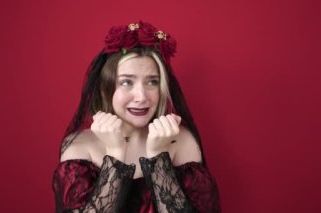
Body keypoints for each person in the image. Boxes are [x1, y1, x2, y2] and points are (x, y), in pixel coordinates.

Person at [53, 21, 221, 213]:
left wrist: (159, 157)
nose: (142, 97)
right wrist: (115, 153)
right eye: (126, 82)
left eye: (152, 82)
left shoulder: (182, 141)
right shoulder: (79, 147)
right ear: (105, 89)